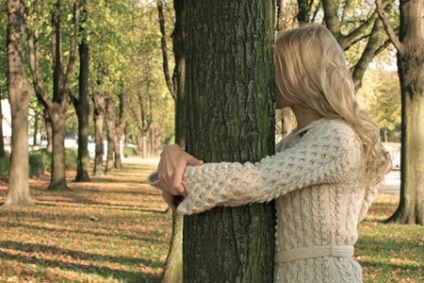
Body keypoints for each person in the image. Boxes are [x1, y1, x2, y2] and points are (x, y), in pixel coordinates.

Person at [151, 24, 392, 283]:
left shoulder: (336, 137)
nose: (267, 74)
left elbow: (258, 181)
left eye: (276, 66)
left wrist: (178, 177)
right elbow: (246, 177)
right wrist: (170, 163)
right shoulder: (297, 141)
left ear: (300, 73)